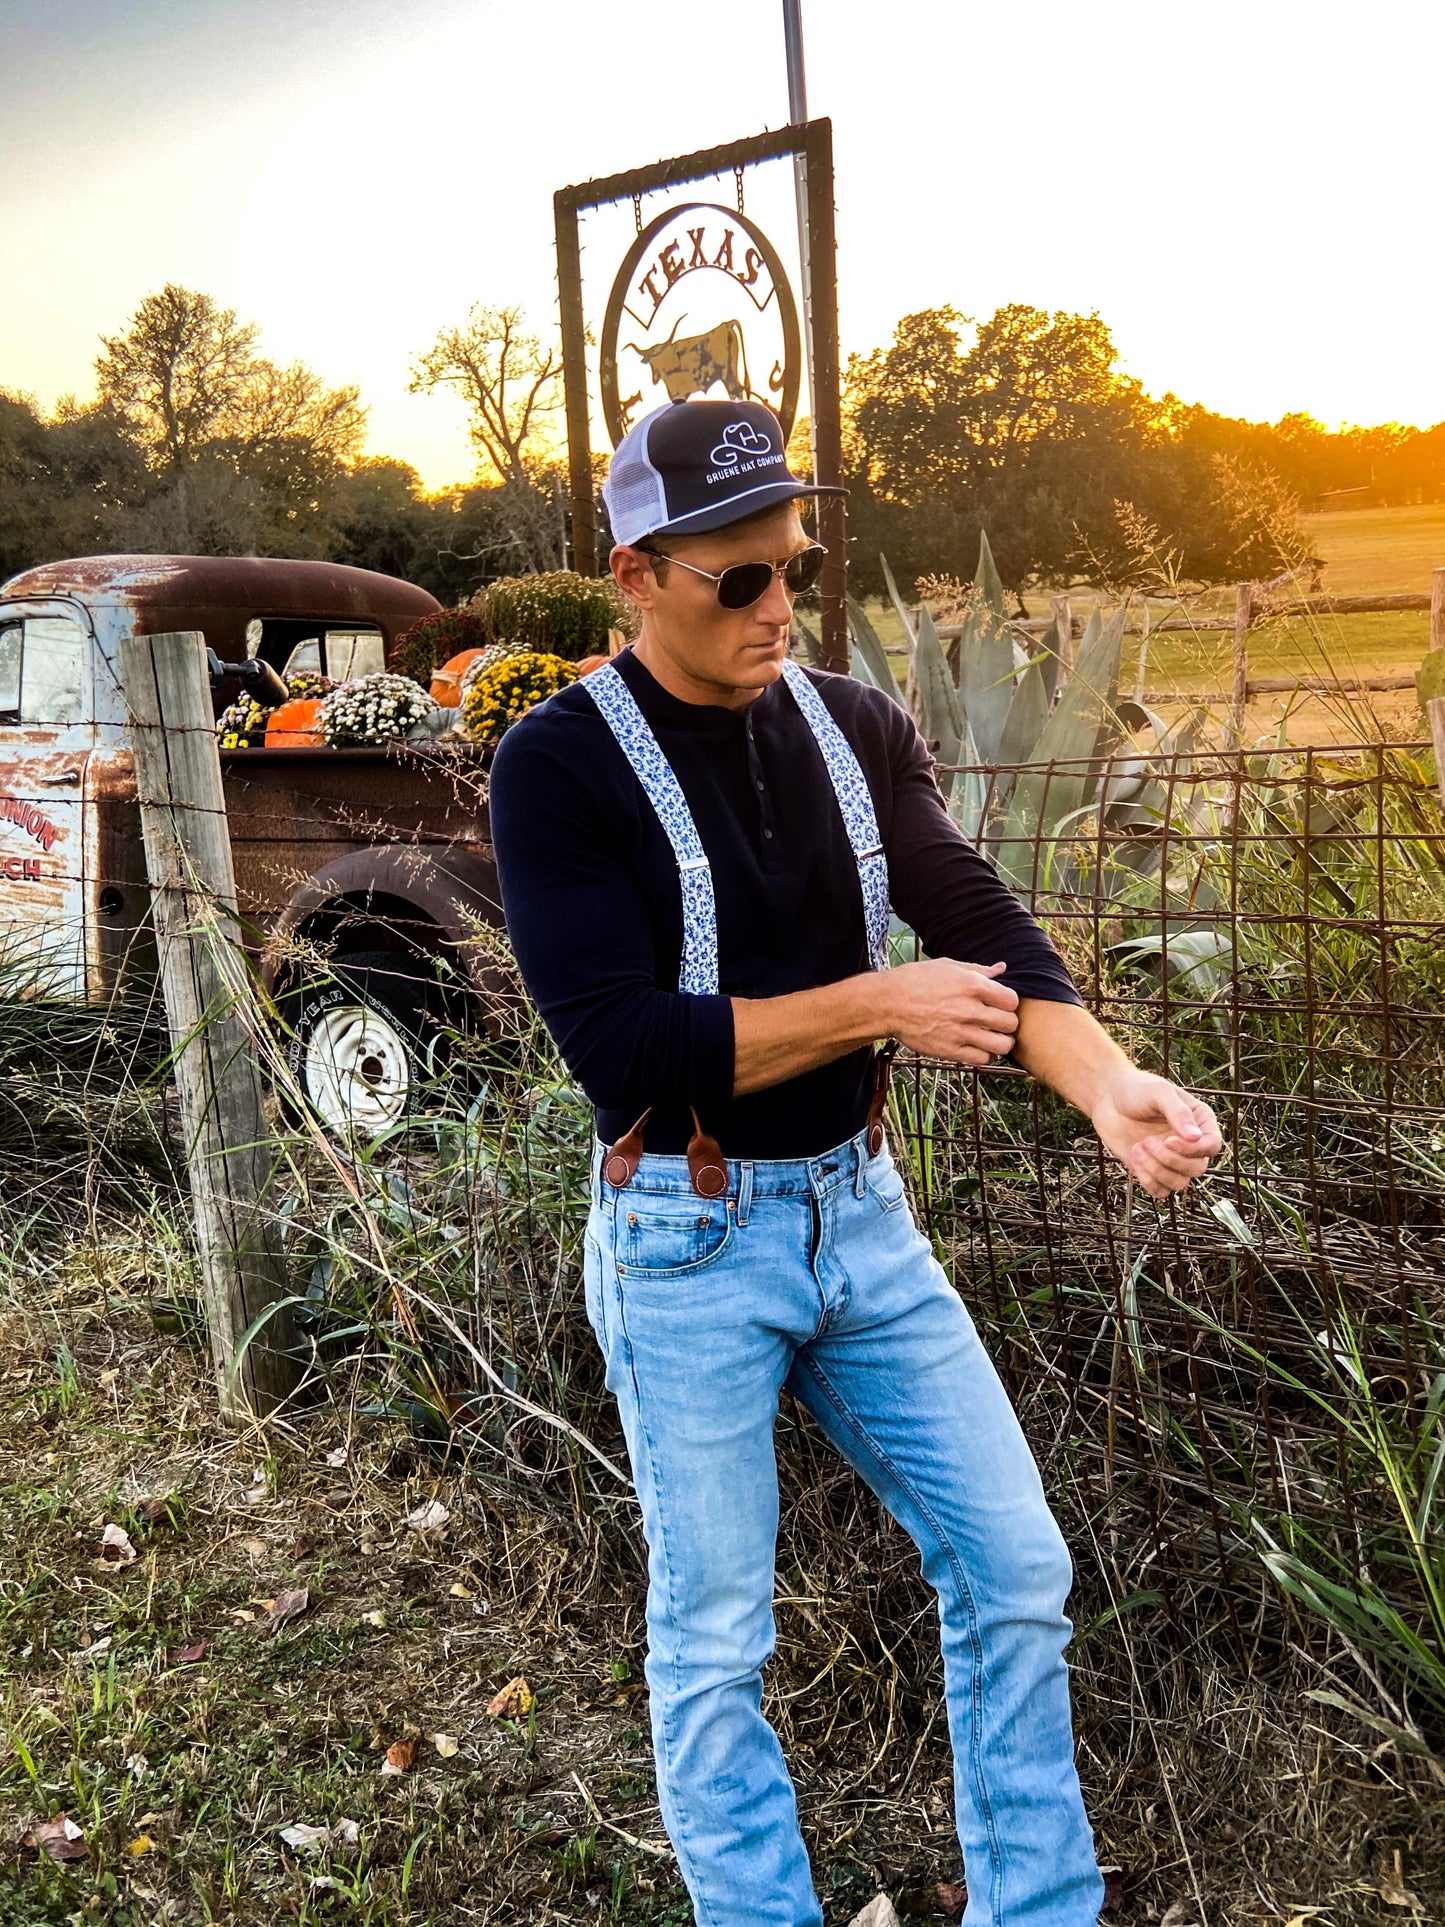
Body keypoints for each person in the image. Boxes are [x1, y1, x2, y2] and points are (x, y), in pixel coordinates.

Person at [489, 397, 1222, 1927]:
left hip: (859, 1215)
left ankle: (1041, 1910)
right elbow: (621, 1054)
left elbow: (983, 927)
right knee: (714, 1638)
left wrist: (1103, 1083)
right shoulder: (555, 768)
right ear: (634, 574)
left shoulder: (857, 727)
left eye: (792, 570)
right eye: (734, 581)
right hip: (685, 1237)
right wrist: (876, 1005)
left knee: (1016, 1566)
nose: (776, 607)